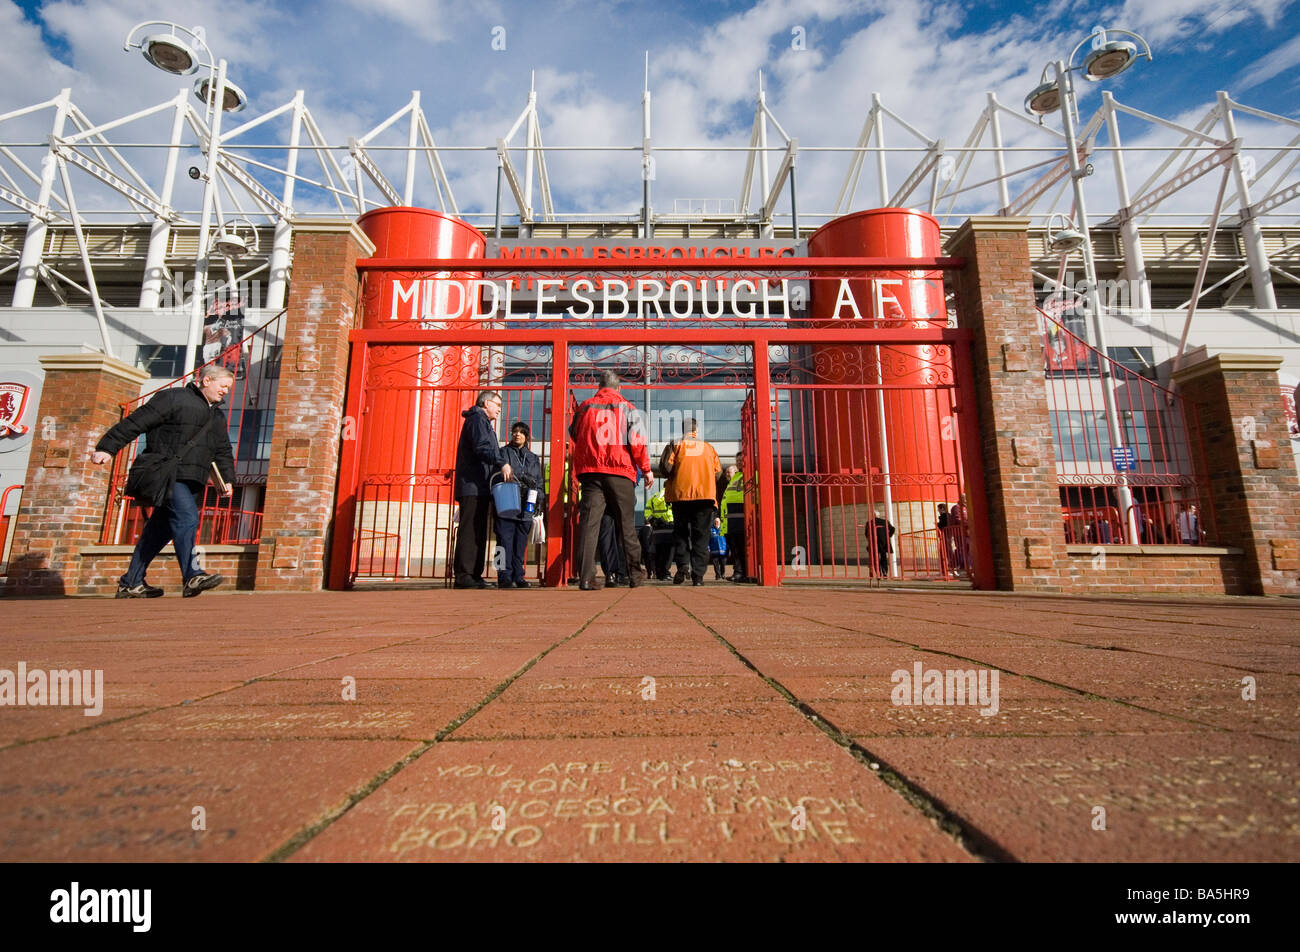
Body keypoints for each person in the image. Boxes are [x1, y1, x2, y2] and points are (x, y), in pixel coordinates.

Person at [90, 366, 236, 598]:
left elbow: (222, 450)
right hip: (165, 473)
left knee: (159, 531)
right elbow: (136, 422)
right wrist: (107, 448)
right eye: (223, 386)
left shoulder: (215, 415)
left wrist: (226, 479)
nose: (226, 392)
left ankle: (131, 582)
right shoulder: (172, 398)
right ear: (206, 380)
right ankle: (192, 575)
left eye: (229, 388)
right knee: (187, 517)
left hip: (191, 480)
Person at [570, 370, 652, 590]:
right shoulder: (629, 408)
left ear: (599, 386)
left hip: (591, 471)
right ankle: (634, 575)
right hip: (619, 471)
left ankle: (586, 578)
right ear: (619, 388)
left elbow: (574, 433)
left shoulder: (585, 407)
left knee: (589, 525)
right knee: (626, 525)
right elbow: (638, 442)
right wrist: (646, 469)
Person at [453, 391, 513, 589]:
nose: (499, 409)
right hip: (472, 484)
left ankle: (474, 574)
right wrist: (501, 463)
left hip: (480, 485)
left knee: (478, 531)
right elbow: (482, 448)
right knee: (470, 530)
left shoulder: (484, 423)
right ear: (487, 403)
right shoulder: (477, 420)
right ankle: (465, 575)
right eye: (497, 404)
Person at [664, 416, 721, 585]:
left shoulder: (675, 444)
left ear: (684, 430)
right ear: (696, 430)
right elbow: (717, 473)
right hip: (705, 497)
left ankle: (683, 566)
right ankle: (698, 576)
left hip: (680, 496)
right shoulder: (709, 448)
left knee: (681, 534)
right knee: (701, 537)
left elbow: (666, 468)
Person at [494, 421, 541, 589]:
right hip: (507, 500)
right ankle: (503, 575)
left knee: (520, 542)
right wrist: (520, 479)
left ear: (527, 436)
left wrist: (538, 499)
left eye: (521, 432)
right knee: (503, 541)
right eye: (515, 431)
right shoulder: (502, 454)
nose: (517, 434)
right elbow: (496, 475)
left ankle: (518, 575)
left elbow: (539, 481)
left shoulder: (533, 458)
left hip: (526, 503)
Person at [721, 455, 749, 582]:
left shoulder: (750, 475)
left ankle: (742, 573)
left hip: (742, 516)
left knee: (741, 548)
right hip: (732, 518)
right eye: (737, 461)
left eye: (741, 460)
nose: (739, 462)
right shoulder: (736, 477)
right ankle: (739, 572)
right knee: (736, 548)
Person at [644, 486, 674, 579]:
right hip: (670, 527)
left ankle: (658, 573)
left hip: (657, 529)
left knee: (659, 552)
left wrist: (655, 521)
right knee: (669, 552)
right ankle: (665, 572)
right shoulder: (672, 495)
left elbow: (647, 514)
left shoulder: (653, 498)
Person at [866, 509, 895, 578]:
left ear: (873, 516)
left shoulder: (869, 523)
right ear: (879, 515)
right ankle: (885, 572)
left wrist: (870, 539)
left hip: (874, 543)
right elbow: (893, 529)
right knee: (883, 557)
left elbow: (866, 534)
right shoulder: (885, 522)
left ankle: (878, 573)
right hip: (884, 543)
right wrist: (888, 536)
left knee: (876, 559)